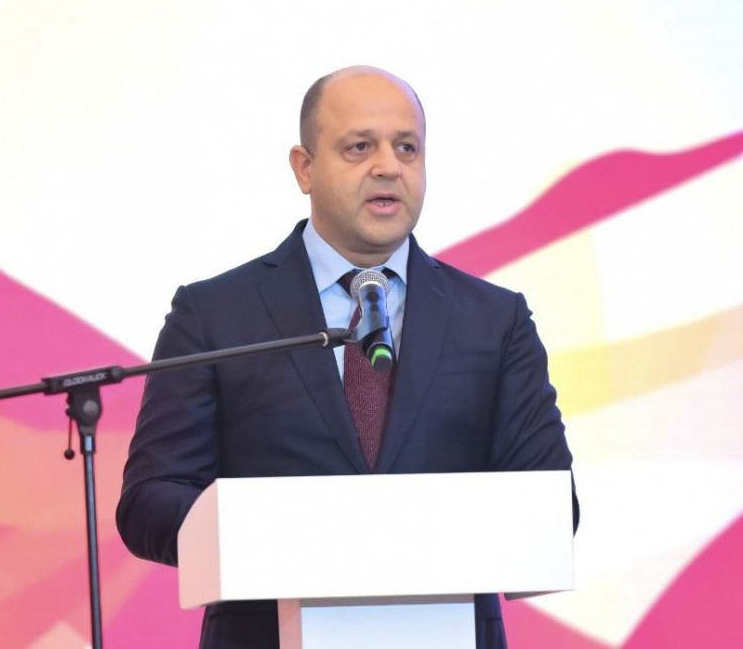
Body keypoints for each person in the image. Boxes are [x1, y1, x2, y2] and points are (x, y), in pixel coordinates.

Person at [116, 65, 579, 649]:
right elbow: (151, 500)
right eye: (360, 147)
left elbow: (549, 503)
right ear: (304, 168)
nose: (388, 166)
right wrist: (285, 533)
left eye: (407, 148)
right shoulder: (215, 314)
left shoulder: (494, 319)